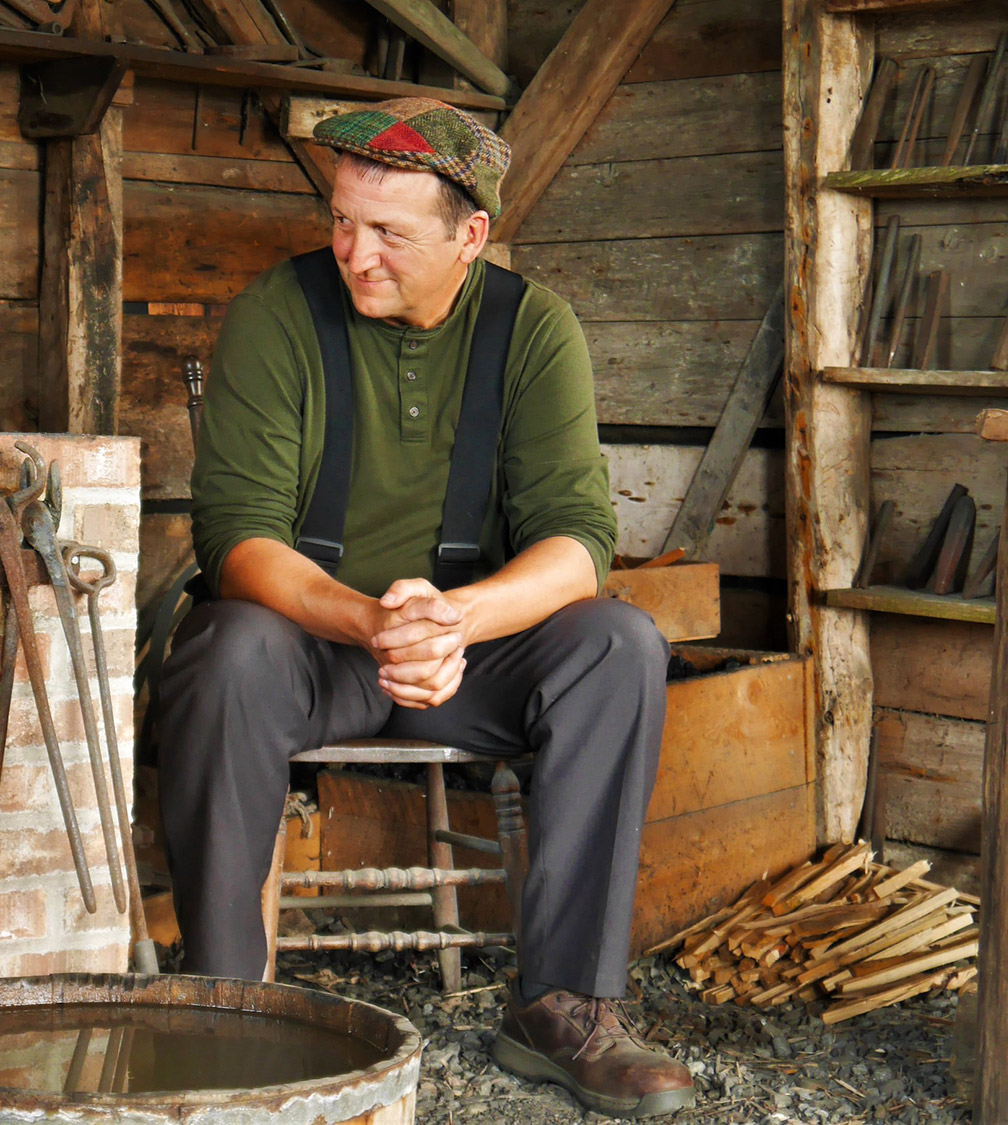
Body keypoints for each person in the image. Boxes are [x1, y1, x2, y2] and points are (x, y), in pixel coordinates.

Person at [153, 98, 695, 1119]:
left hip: (466, 656)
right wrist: (367, 622)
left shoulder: (532, 328)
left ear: (469, 235)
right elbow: (237, 537)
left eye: (389, 232)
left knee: (617, 643)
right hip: (309, 648)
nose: (354, 252)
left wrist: (456, 621)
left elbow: (577, 539)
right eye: (342, 220)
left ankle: (563, 1009)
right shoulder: (279, 311)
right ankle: (225, 1005)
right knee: (224, 650)